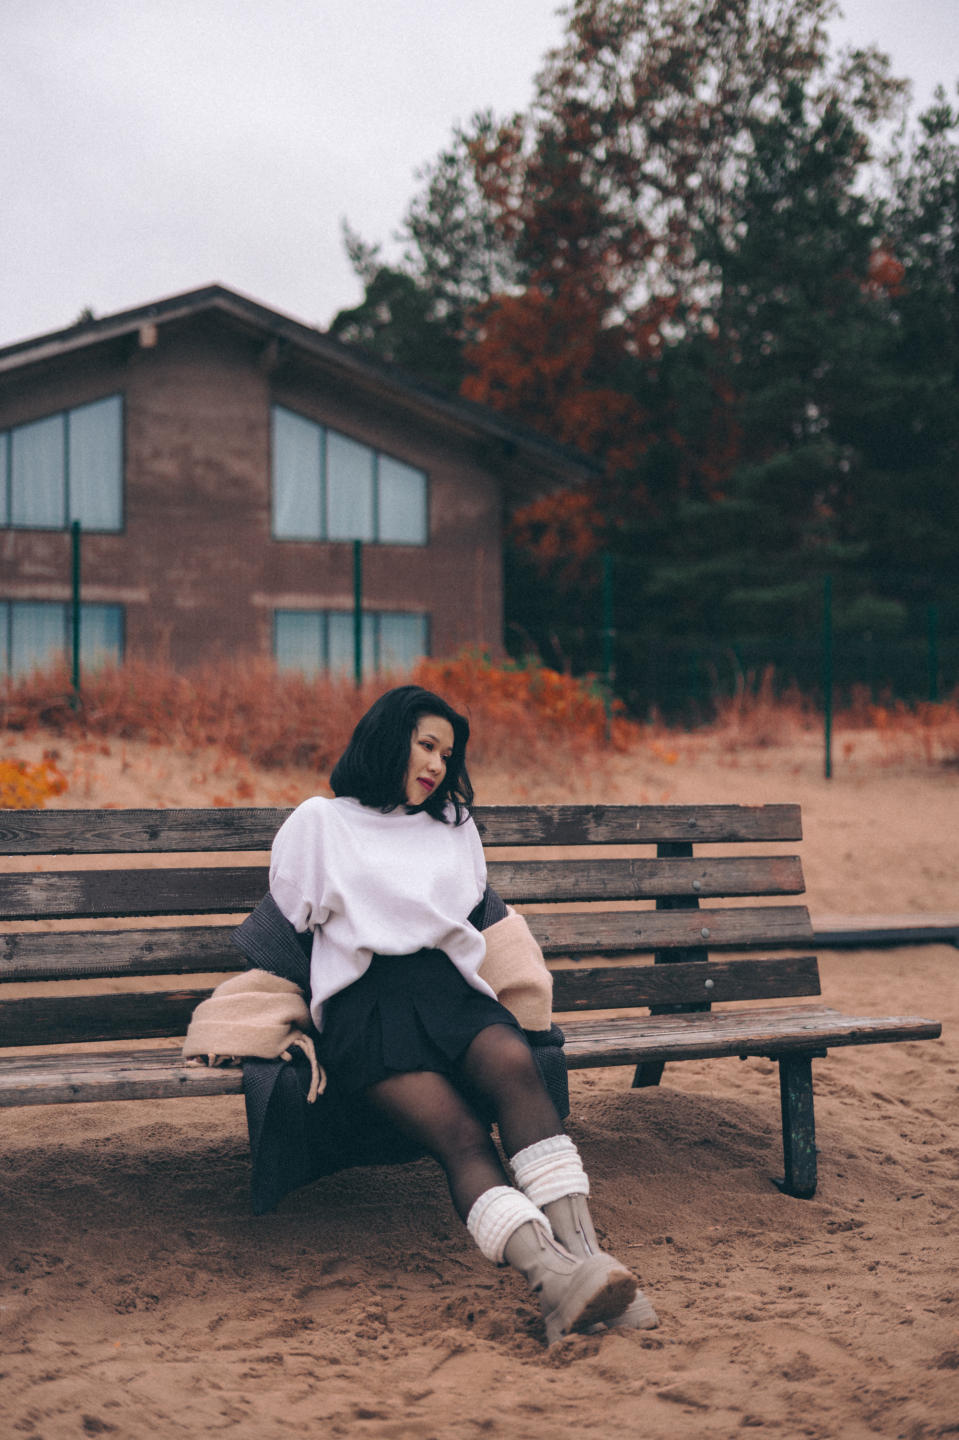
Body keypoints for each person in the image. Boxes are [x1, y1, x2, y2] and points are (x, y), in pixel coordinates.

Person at [265, 685, 657, 1344]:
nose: (436, 765)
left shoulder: (453, 825)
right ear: (387, 738)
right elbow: (291, 916)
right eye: (426, 745)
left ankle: (590, 1263)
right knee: (462, 1136)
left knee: (515, 1065)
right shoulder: (318, 822)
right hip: (367, 1004)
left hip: (448, 991)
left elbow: (467, 910)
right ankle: (554, 1281)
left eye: (447, 754)